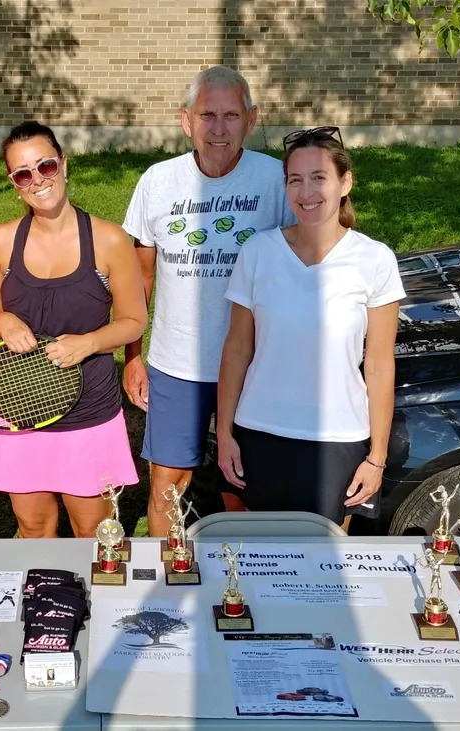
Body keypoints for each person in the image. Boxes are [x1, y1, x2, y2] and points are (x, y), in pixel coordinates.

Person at [121, 66, 295, 535]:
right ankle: (163, 585)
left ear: (251, 120)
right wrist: (133, 356)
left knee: (240, 485)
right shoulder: (157, 182)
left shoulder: (276, 182)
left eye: (231, 115)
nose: (218, 129)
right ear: (186, 121)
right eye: (207, 115)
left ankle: (239, 590)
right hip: (175, 364)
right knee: (167, 483)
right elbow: (139, 280)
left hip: (253, 363)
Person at [216, 127, 403, 529]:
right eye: (295, 180)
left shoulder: (374, 259)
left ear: (345, 182)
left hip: (338, 439)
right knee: (255, 564)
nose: (306, 192)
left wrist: (377, 456)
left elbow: (379, 364)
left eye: (319, 177)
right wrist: (226, 433)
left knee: (323, 569)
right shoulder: (258, 252)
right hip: (259, 433)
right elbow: (236, 351)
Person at [0, 121, 146, 538]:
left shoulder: (109, 240)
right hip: (19, 408)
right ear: (13, 183)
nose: (38, 181)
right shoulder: (0, 242)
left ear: (64, 166)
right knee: (34, 525)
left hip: (88, 409)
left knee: (93, 529)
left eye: (45, 166)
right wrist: (2, 320)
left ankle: (98, 605)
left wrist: (89, 343)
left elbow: (134, 320)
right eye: (23, 174)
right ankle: (44, 602)